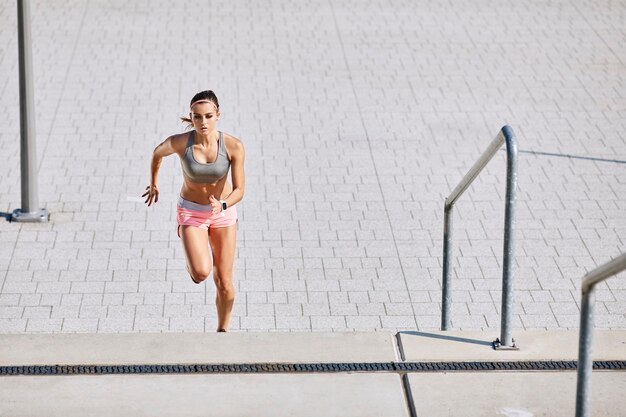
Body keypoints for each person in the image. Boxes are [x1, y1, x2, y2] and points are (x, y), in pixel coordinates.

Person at [143, 90, 245, 332]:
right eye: (197, 117)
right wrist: (154, 182)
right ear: (191, 117)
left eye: (208, 116)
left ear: (218, 115)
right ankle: (191, 246)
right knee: (200, 273)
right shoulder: (181, 143)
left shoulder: (233, 146)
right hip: (191, 212)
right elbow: (158, 153)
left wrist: (222, 205)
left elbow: (240, 190)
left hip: (222, 212)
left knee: (225, 283)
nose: (203, 123)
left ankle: (222, 331)